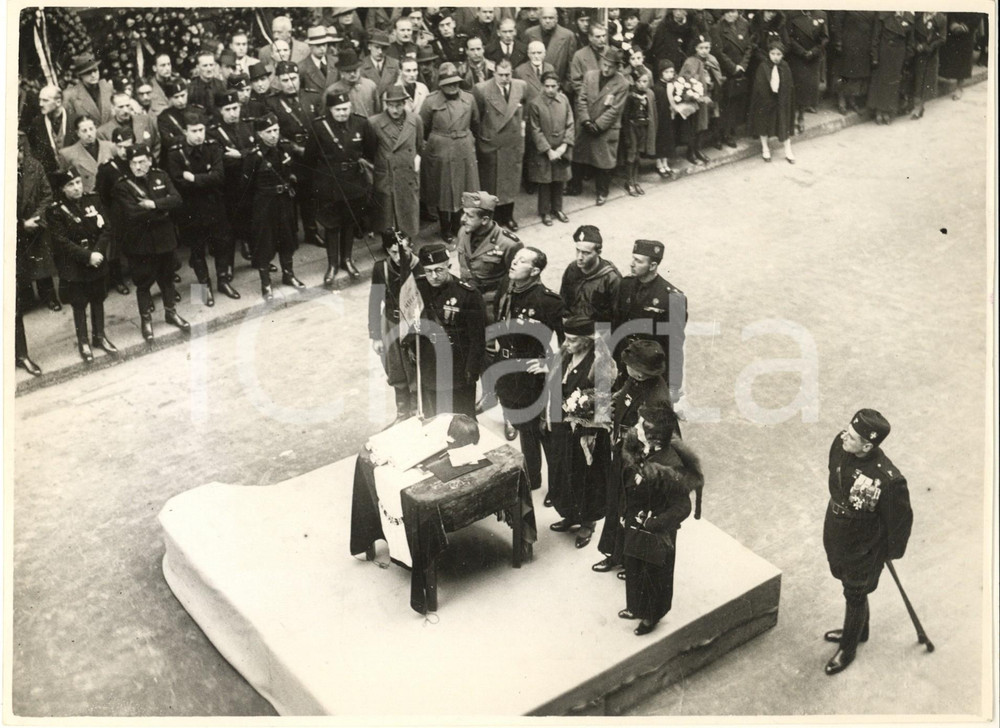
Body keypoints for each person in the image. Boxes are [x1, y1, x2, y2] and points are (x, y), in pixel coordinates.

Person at [823, 409, 913, 675]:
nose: (843, 438)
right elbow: (834, 475)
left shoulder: (888, 479)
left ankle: (848, 649)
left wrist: (887, 553)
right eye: (847, 431)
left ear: (868, 445)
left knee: (855, 592)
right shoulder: (840, 446)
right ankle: (861, 630)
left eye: (852, 437)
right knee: (848, 583)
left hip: (864, 544)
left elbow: (900, 521)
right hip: (837, 529)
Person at [618, 402, 702, 635]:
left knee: (654, 576)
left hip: (657, 532)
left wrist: (654, 523)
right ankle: (636, 607)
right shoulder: (647, 451)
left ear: (654, 435)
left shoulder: (670, 465)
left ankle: (651, 616)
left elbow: (683, 506)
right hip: (638, 523)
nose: (637, 427)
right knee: (635, 569)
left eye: (643, 425)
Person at [593, 339, 674, 575]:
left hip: (639, 464)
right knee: (615, 505)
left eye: (640, 371)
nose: (634, 374)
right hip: (622, 455)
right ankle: (614, 553)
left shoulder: (658, 397)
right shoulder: (634, 380)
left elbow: (658, 438)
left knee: (631, 511)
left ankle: (631, 561)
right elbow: (622, 399)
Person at [492, 247, 565, 493]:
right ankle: (533, 479)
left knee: (545, 434)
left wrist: (551, 365)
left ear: (535, 270)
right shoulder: (508, 288)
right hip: (509, 373)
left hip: (534, 378)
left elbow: (570, 341)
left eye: (521, 261)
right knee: (525, 430)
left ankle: (556, 488)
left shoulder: (548, 301)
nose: (513, 264)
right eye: (514, 259)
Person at [547, 316, 612, 546]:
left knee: (586, 476)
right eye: (566, 338)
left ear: (586, 341)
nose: (567, 343)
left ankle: (588, 522)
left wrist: (589, 426)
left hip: (586, 433)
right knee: (563, 470)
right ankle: (571, 514)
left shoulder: (599, 362)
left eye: (573, 340)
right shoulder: (564, 356)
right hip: (562, 426)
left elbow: (604, 401)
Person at [113, 143, 189, 341]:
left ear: (149, 160)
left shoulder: (160, 176)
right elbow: (133, 213)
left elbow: (177, 199)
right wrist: (162, 212)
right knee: (143, 283)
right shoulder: (122, 186)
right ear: (128, 165)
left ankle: (171, 313)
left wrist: (154, 204)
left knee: (167, 279)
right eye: (133, 163)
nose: (138, 167)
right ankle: (146, 321)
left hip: (164, 240)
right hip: (140, 244)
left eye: (141, 162)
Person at [166, 108, 238, 307]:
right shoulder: (175, 153)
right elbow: (179, 181)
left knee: (222, 244)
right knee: (197, 251)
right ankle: (202, 289)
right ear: (184, 130)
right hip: (190, 210)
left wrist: (195, 178)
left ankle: (223, 281)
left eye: (201, 130)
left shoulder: (213, 146)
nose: (199, 135)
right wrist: (206, 179)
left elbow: (219, 176)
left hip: (214, 205)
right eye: (194, 131)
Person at [45, 166, 116, 362]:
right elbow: (61, 241)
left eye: (78, 182)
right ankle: (83, 341)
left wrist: (98, 252)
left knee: (98, 299)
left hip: (97, 260)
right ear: (62, 189)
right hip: (75, 266)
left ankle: (99, 337)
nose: (76, 188)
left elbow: (106, 228)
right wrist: (87, 256)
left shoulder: (92, 200)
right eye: (70, 185)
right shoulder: (55, 211)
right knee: (79, 304)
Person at [408, 243, 487, 419]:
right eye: (428, 271)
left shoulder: (467, 294)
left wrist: (471, 371)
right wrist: (412, 347)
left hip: (457, 367)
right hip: (430, 363)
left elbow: (478, 339)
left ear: (449, 267)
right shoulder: (418, 288)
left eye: (439, 270)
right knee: (433, 415)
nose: (433, 276)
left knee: (462, 418)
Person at [307, 91, 376, 286]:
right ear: (330, 109)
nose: (342, 113)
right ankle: (332, 264)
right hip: (328, 184)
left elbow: (370, 151)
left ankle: (347, 259)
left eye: (345, 108)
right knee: (331, 224)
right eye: (338, 110)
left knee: (349, 222)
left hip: (353, 182)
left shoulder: (361, 124)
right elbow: (310, 158)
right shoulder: (319, 126)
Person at [613, 240, 687, 402]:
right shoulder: (626, 285)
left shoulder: (672, 298)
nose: (631, 264)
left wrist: (674, 386)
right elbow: (616, 326)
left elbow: (675, 345)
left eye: (638, 261)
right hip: (626, 362)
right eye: (633, 259)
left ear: (653, 266)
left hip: (650, 370)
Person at [419, 63, 481, 243]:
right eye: (448, 83)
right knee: (443, 191)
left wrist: (469, 141)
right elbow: (423, 127)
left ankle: (459, 224)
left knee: (465, 188)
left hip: (463, 146)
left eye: (455, 82)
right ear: (440, 85)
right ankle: (445, 227)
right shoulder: (431, 101)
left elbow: (476, 123)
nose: (452, 86)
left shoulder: (469, 99)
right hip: (441, 149)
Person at [242, 112, 299, 300]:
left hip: (284, 201)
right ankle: (265, 284)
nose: (274, 135)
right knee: (264, 242)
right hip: (264, 204)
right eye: (269, 131)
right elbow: (247, 187)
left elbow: (290, 172)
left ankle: (288, 275)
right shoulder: (253, 156)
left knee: (287, 238)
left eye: (276, 130)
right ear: (259, 134)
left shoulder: (284, 148)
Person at [267, 61, 322, 249]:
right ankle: (291, 236)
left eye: (293, 78)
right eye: (285, 80)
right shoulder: (273, 103)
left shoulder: (313, 98)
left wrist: (314, 148)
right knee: (290, 198)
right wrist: (295, 148)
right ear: (279, 82)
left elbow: (321, 126)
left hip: (311, 154)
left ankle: (311, 231)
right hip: (288, 155)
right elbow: (274, 132)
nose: (290, 83)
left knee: (310, 196)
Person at [369, 228, 420, 423]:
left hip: (415, 325)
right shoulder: (380, 269)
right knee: (395, 369)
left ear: (411, 247)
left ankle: (417, 412)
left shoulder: (420, 266)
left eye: (403, 251)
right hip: (390, 324)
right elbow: (374, 302)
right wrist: (375, 336)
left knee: (415, 370)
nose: (399, 257)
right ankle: (402, 414)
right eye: (393, 252)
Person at [472, 60, 526, 231]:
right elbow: (476, 118)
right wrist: (484, 138)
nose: (504, 78)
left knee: (510, 181)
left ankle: (508, 217)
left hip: (511, 143)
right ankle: (493, 219)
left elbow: (525, 111)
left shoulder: (521, 86)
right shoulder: (482, 89)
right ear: (494, 74)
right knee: (492, 183)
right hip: (492, 144)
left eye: (508, 74)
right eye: (501, 75)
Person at [570, 47, 629, 205]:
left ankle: (602, 191)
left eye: (611, 66)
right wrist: (586, 121)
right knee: (578, 157)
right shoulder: (590, 76)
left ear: (617, 67)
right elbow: (581, 99)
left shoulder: (622, 83)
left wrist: (598, 125)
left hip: (605, 129)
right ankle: (575, 186)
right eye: (604, 64)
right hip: (586, 124)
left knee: (603, 162)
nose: (606, 69)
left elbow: (615, 109)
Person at [456, 190, 522, 326]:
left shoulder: (508, 243)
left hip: (491, 304)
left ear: (485, 220)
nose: (463, 219)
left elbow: (517, 280)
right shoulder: (463, 232)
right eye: (464, 213)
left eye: (469, 216)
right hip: (466, 296)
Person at [369, 86, 424, 241]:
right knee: (387, 212)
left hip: (407, 174)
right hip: (387, 174)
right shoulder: (374, 123)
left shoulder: (415, 120)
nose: (395, 109)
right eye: (391, 105)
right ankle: (389, 243)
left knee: (408, 209)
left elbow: (419, 145)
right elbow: (370, 149)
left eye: (398, 105)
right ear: (386, 105)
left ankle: (408, 241)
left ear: (405, 103)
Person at [210, 89, 255, 270]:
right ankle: (227, 268)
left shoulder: (248, 126)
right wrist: (247, 155)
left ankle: (258, 260)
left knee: (252, 222)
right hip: (228, 188)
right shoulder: (214, 133)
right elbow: (221, 159)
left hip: (249, 184)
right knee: (227, 231)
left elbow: (257, 150)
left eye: (235, 108)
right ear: (220, 111)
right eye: (227, 109)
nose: (233, 113)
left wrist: (241, 155)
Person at [16, 134, 60, 313]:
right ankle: (26, 300)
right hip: (16, 227)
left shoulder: (34, 166)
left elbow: (47, 194)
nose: (17, 155)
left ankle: (49, 297)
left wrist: (36, 217)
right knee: (20, 266)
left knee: (42, 263)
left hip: (36, 223)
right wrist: (20, 224)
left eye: (19, 150)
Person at [526, 71, 573, 226]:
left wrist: (564, 146)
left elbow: (570, 123)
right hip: (545, 150)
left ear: (558, 86)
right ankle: (545, 211)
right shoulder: (535, 104)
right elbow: (535, 130)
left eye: (553, 86)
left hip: (560, 147)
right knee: (545, 181)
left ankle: (558, 208)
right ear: (542, 86)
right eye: (547, 86)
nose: (550, 90)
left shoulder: (564, 100)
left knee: (559, 179)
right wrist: (548, 150)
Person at [95, 126, 134, 296]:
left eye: (128, 146)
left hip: (137, 212)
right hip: (117, 214)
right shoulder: (107, 169)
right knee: (115, 250)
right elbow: (102, 196)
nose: (125, 151)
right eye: (120, 147)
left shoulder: (138, 161)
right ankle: (117, 279)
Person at [559, 224, 621, 326]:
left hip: (599, 330)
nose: (579, 257)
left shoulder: (611, 278)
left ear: (598, 252)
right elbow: (563, 299)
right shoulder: (572, 269)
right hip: (573, 325)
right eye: (578, 250)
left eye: (586, 253)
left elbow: (616, 315)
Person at [677, 35, 723, 166]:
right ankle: (690, 151)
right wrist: (696, 95)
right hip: (696, 98)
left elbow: (717, 76)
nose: (704, 51)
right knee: (695, 126)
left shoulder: (711, 60)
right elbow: (685, 80)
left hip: (709, 96)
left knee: (704, 125)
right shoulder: (691, 62)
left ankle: (698, 149)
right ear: (696, 48)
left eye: (707, 47)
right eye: (701, 48)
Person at [749, 40, 796, 163]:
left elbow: (788, 85)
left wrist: (782, 97)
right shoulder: (763, 66)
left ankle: (788, 150)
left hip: (781, 101)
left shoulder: (785, 67)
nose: (775, 57)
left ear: (783, 55)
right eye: (773, 54)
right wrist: (767, 98)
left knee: (783, 123)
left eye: (779, 54)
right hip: (767, 100)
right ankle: (765, 148)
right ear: (769, 54)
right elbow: (760, 85)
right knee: (764, 123)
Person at [711, 11, 751, 148]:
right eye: (727, 11)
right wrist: (733, 67)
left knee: (733, 105)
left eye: (733, 11)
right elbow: (718, 52)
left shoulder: (744, 24)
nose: (730, 14)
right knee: (721, 105)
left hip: (739, 70)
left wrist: (743, 65)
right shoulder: (717, 28)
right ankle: (717, 136)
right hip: (725, 71)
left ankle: (728, 134)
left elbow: (749, 47)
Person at [867, 12, 915, 125]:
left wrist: (908, 57)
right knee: (881, 83)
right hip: (884, 54)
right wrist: (875, 56)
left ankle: (887, 111)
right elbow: (876, 37)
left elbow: (910, 41)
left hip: (899, 56)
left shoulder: (909, 18)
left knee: (893, 84)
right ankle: (879, 112)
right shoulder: (883, 15)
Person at [785, 10, 829, 134]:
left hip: (813, 58)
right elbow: (789, 37)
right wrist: (802, 52)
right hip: (796, 57)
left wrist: (813, 52)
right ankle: (791, 118)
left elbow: (825, 38)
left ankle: (801, 117)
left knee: (807, 89)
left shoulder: (821, 15)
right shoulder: (792, 14)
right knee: (795, 88)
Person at [829, 11, 877, 115]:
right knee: (843, 73)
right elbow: (837, 22)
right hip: (847, 43)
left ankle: (852, 100)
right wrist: (838, 42)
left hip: (863, 44)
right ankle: (841, 102)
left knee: (855, 75)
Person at [620, 66, 657, 196]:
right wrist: (627, 136)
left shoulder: (647, 96)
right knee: (631, 154)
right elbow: (625, 116)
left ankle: (635, 181)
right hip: (632, 128)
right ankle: (629, 182)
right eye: (640, 81)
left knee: (638, 155)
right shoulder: (631, 97)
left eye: (645, 81)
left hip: (642, 127)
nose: (642, 84)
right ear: (635, 82)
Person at [59, 115, 116, 195]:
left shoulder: (110, 147)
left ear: (96, 129)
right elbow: (65, 180)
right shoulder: (67, 153)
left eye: (91, 129)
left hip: (111, 194)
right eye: (84, 131)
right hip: (88, 197)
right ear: (78, 133)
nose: (89, 134)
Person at [524, 8, 578, 94]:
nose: (547, 21)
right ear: (539, 19)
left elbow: (571, 64)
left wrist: (565, 87)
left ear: (556, 19)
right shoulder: (530, 33)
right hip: (534, 87)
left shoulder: (568, 36)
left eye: (551, 18)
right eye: (544, 18)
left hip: (558, 87)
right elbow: (525, 59)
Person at [97, 92, 161, 161]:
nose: (125, 110)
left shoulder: (145, 120)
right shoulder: (103, 132)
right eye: (121, 107)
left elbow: (156, 144)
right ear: (113, 108)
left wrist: (150, 163)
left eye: (127, 105)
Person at [910, 13, 948, 119]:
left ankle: (920, 106)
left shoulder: (941, 18)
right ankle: (914, 104)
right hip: (917, 53)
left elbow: (942, 38)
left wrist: (927, 47)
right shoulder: (918, 16)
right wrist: (916, 45)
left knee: (925, 80)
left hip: (930, 54)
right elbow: (912, 33)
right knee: (917, 78)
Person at [27, 85, 72, 175]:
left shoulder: (74, 120)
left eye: (45, 100)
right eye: (40, 100)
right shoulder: (36, 124)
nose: (40, 104)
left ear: (58, 102)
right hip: (50, 178)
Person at [62, 52, 115, 128]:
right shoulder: (70, 95)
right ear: (80, 75)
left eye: (95, 70)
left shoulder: (107, 87)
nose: (93, 75)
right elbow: (70, 125)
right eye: (88, 72)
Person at [939, 13, 982, 100]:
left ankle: (959, 88)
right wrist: (952, 23)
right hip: (952, 29)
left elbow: (978, 14)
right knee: (949, 55)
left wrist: (965, 26)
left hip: (967, 32)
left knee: (963, 60)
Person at [327, 49, 380, 117]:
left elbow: (377, 110)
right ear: (341, 72)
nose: (352, 74)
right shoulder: (332, 90)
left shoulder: (370, 86)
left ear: (360, 68)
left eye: (355, 70)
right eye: (348, 71)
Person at [651, 60, 679, 177]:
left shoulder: (671, 85)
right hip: (661, 118)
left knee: (668, 139)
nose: (669, 74)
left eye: (671, 72)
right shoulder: (658, 87)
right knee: (660, 140)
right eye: (666, 72)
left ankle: (665, 163)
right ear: (661, 73)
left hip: (668, 117)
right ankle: (659, 163)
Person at [569, 22, 609, 96]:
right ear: (590, 37)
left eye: (604, 36)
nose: (602, 40)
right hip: (587, 99)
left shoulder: (611, 53)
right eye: (598, 37)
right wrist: (589, 96)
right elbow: (576, 81)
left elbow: (618, 78)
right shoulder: (579, 55)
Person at [360, 30, 402, 97]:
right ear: (369, 46)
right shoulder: (361, 66)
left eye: (384, 48)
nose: (380, 52)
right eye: (377, 47)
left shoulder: (395, 64)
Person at [300, 27, 339, 95]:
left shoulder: (335, 61)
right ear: (310, 46)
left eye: (324, 45)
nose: (322, 49)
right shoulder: (302, 67)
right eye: (318, 45)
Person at [187, 51, 227, 116]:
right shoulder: (191, 88)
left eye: (211, 65)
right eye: (205, 66)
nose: (209, 69)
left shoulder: (222, 85)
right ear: (197, 67)